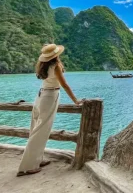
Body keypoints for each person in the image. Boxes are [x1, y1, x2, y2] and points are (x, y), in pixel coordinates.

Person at [17, 43, 82, 177]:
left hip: (41, 95)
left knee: (36, 129)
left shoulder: (43, 65)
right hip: (50, 96)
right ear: (56, 55)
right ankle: (27, 167)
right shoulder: (56, 66)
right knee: (40, 132)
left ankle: (37, 160)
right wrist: (75, 100)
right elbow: (64, 84)